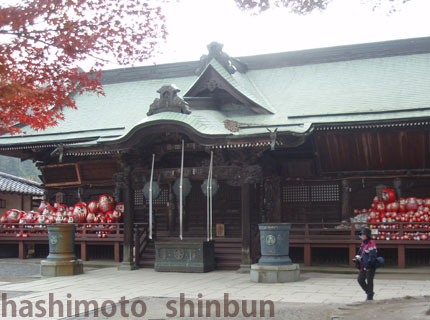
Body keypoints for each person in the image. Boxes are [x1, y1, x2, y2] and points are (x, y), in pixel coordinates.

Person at [357, 227, 377, 301]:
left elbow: (372, 255)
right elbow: (359, 253)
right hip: (363, 264)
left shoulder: (371, 243)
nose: (361, 236)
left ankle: (369, 296)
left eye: (362, 235)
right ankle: (369, 292)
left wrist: (369, 265)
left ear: (366, 235)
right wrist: (358, 265)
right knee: (360, 279)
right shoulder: (363, 243)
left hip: (370, 265)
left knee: (369, 280)